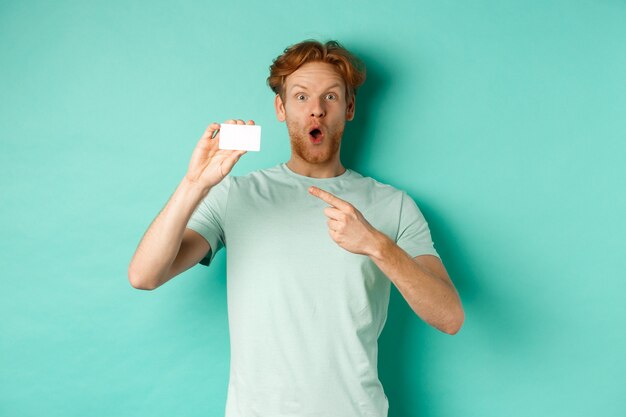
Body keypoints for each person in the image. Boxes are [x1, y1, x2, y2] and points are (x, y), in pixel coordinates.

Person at [128, 39, 464, 417]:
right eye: (301, 97)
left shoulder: (393, 205)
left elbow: (449, 317)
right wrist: (194, 184)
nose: (316, 110)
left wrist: (376, 245)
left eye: (331, 97)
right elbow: (144, 275)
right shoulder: (234, 195)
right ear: (281, 108)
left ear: (350, 108)